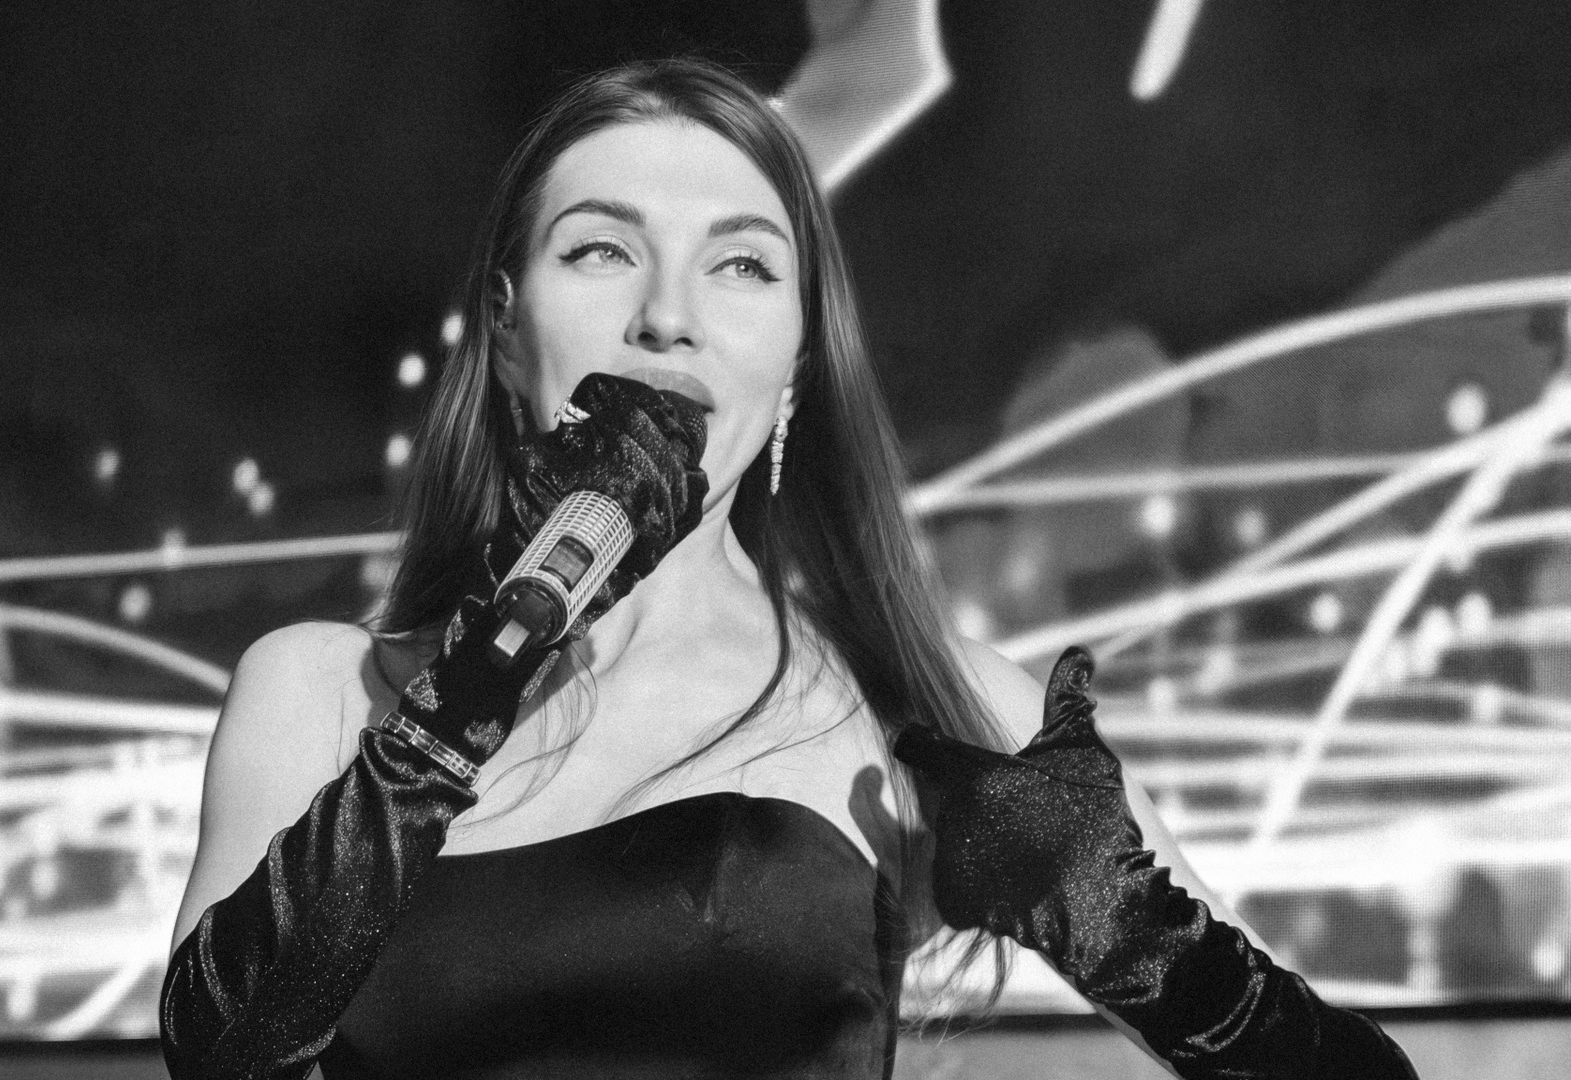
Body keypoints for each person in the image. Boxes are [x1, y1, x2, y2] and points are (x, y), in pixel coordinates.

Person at [160, 59, 1417, 1079]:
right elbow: (223, 1053)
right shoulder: (319, 693)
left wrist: (1141, 939)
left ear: (798, 365)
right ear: (502, 324)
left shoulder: (922, 709)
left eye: (743, 264)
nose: (668, 315)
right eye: (601, 251)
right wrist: (484, 669)